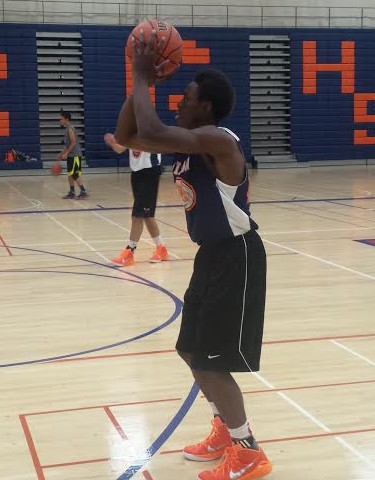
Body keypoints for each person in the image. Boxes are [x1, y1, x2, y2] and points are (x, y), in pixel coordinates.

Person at [111, 32, 272, 480]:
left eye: (186, 96)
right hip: (212, 258)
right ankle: (225, 427)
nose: (179, 100)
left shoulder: (219, 141)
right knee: (191, 350)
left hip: (237, 257)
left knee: (212, 360)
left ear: (205, 107)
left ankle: (249, 451)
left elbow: (154, 130)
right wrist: (138, 81)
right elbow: (129, 134)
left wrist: (145, 77)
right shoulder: (191, 139)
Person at [104, 133, 168, 265]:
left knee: (137, 215)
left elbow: (141, 145)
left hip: (150, 172)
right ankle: (161, 248)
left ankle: (130, 251)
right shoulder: (131, 129)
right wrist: (112, 142)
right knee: (146, 215)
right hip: (137, 173)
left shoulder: (148, 128)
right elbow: (120, 149)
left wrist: (123, 140)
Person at [57, 111, 87, 199]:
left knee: (74, 174)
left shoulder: (70, 129)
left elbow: (73, 143)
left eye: (61, 119)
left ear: (66, 119)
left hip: (75, 155)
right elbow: (68, 145)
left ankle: (83, 191)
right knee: (70, 174)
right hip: (71, 155)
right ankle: (72, 192)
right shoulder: (67, 129)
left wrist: (66, 153)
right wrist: (61, 154)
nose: (60, 120)